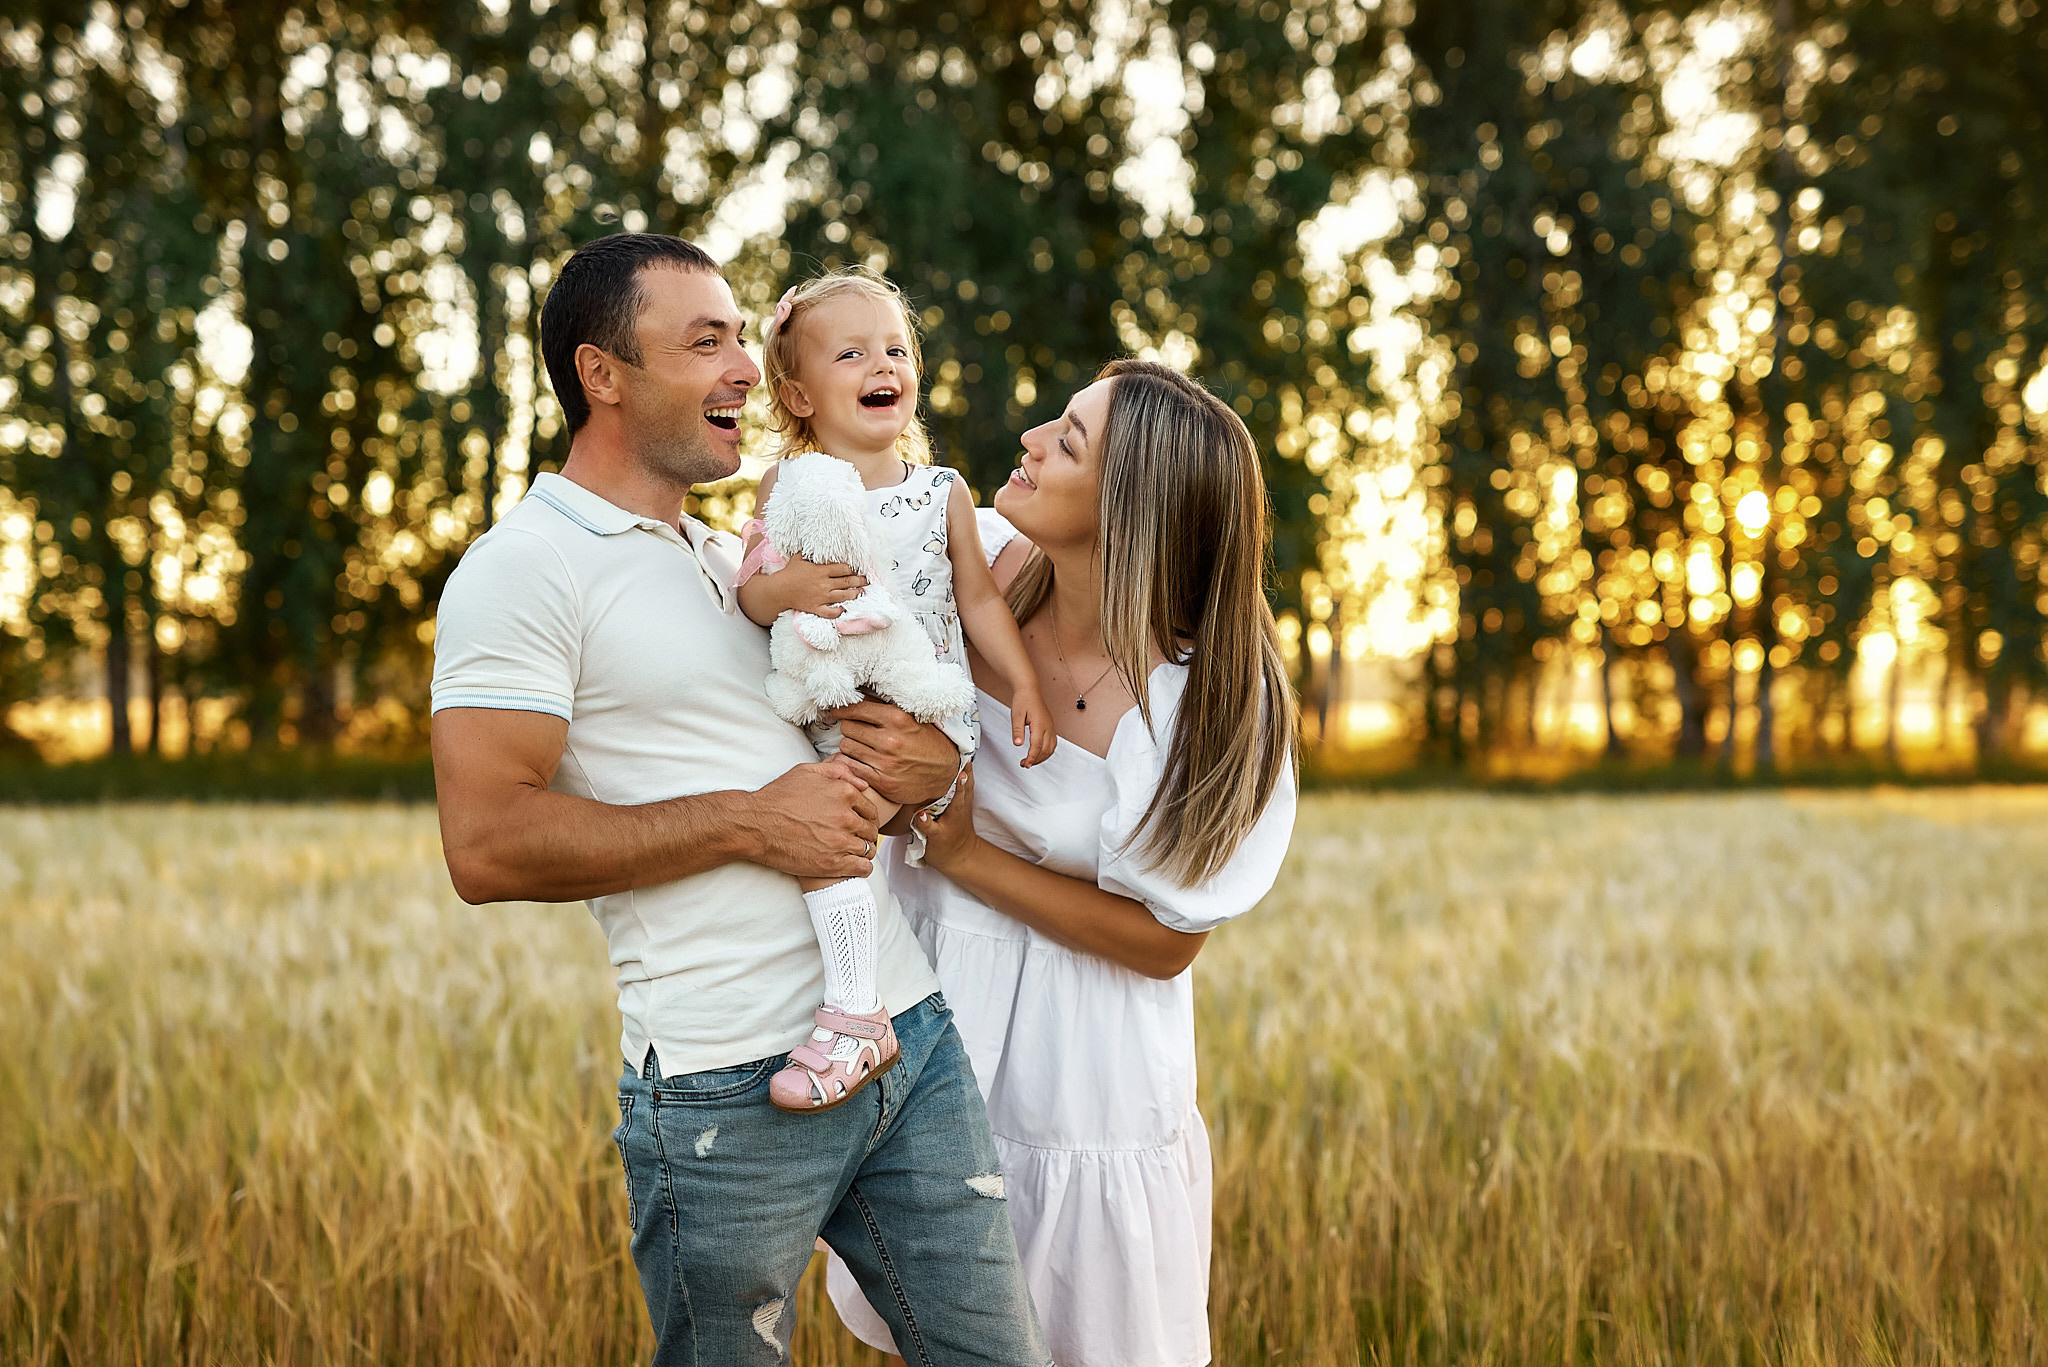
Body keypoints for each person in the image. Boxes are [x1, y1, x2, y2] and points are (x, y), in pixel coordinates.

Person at [428, 232, 1048, 1365]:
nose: (747, 367)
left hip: (906, 1037)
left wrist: (929, 768)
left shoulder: (735, 554)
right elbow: (486, 842)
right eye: (704, 340)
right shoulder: (524, 566)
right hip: (727, 1089)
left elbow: (858, 722)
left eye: (740, 336)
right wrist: (754, 821)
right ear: (602, 374)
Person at [827, 360, 1299, 1367]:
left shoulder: (1209, 697)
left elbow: (1165, 943)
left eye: (1069, 440)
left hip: (1083, 1080)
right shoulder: (966, 566)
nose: (1032, 438)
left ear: (1131, 511)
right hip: (933, 1024)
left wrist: (960, 846)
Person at [733, 267, 1055, 1115]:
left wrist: (1023, 682)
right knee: (825, 839)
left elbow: (978, 599)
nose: (883, 365)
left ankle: (855, 1015)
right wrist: (790, 589)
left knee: (832, 832)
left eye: (896, 350)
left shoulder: (941, 491)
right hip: (833, 709)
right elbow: (753, 593)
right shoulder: (786, 488)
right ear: (798, 394)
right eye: (851, 354)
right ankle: (847, 1003)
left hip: (925, 709)